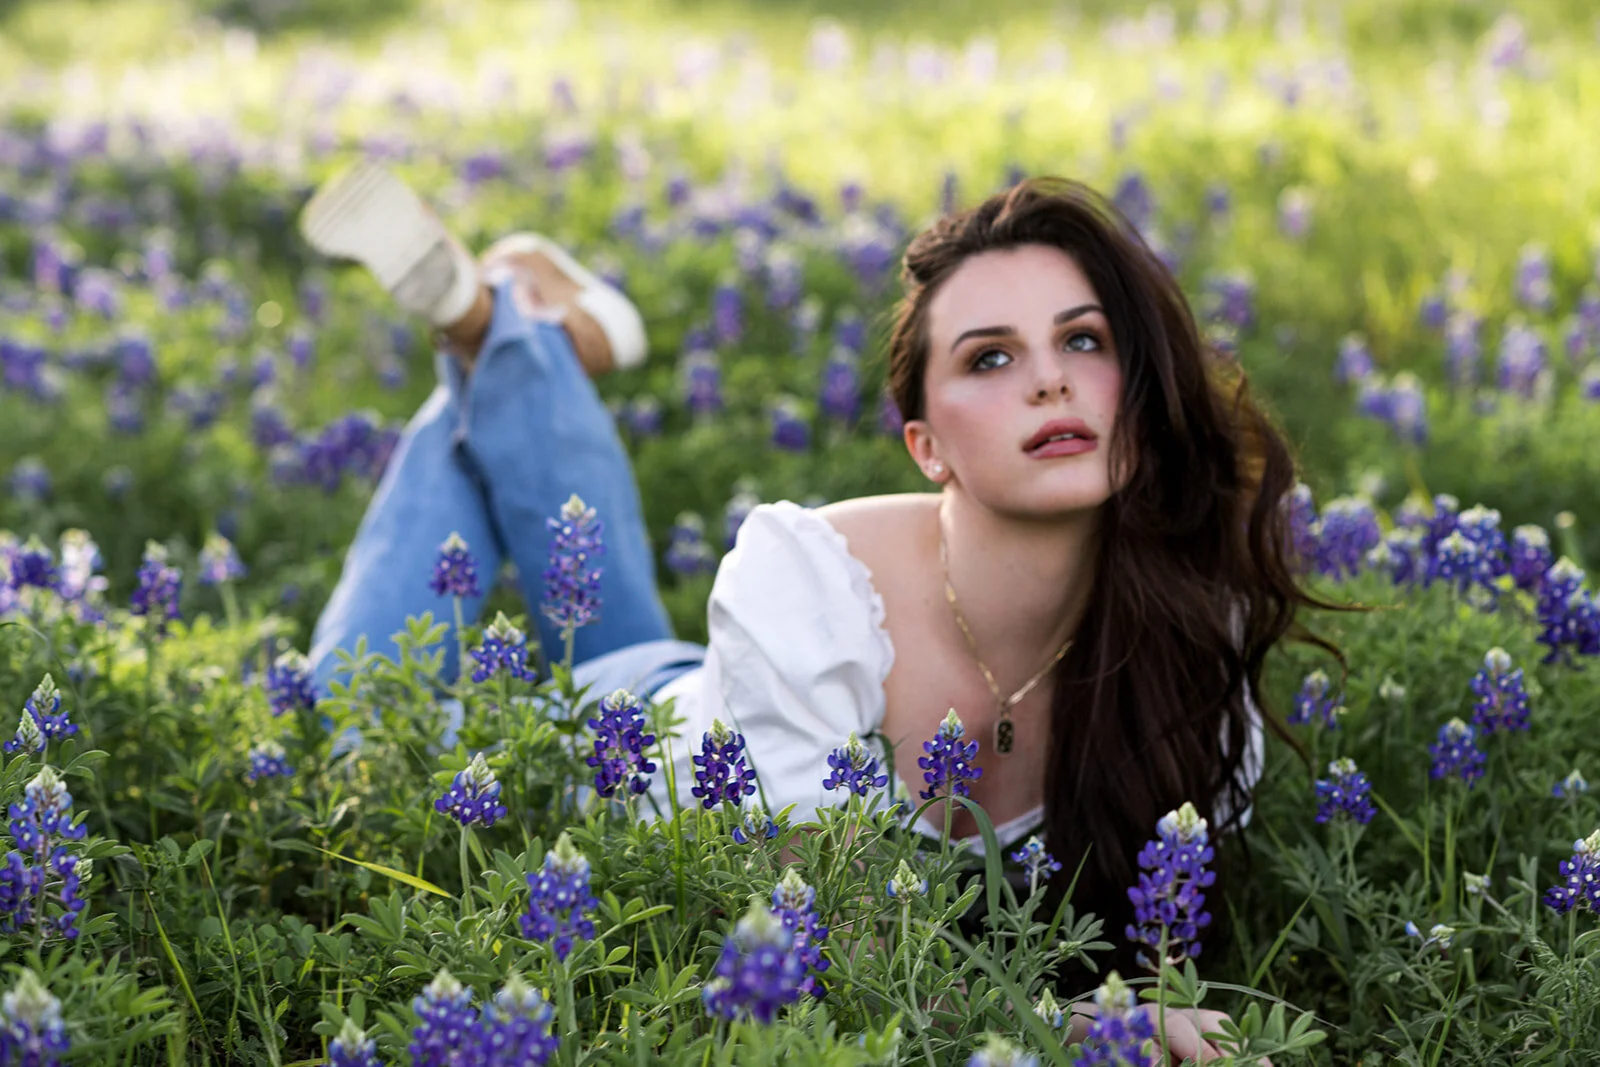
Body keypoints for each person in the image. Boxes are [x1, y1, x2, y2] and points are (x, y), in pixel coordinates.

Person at [301, 164, 1339, 1053]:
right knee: (344, 721)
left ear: (1141, 394)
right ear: (925, 445)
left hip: (724, 696)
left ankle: (502, 333)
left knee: (597, 593)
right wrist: (1066, 1029)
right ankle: (506, 328)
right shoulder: (807, 578)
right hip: (618, 746)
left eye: (1084, 340)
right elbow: (834, 944)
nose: (1048, 384)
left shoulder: (1187, 641)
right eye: (990, 356)